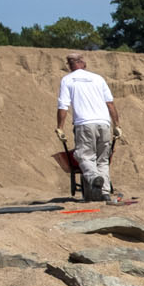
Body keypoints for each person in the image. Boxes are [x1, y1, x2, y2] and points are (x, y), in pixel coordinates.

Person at [56, 53, 118, 200]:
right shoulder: (98, 78)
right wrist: (117, 125)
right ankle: (105, 193)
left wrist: (60, 127)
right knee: (103, 159)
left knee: (83, 156)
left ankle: (94, 177)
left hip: (84, 124)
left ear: (70, 65)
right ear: (83, 63)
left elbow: (63, 106)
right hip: (104, 123)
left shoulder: (67, 80)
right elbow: (110, 104)